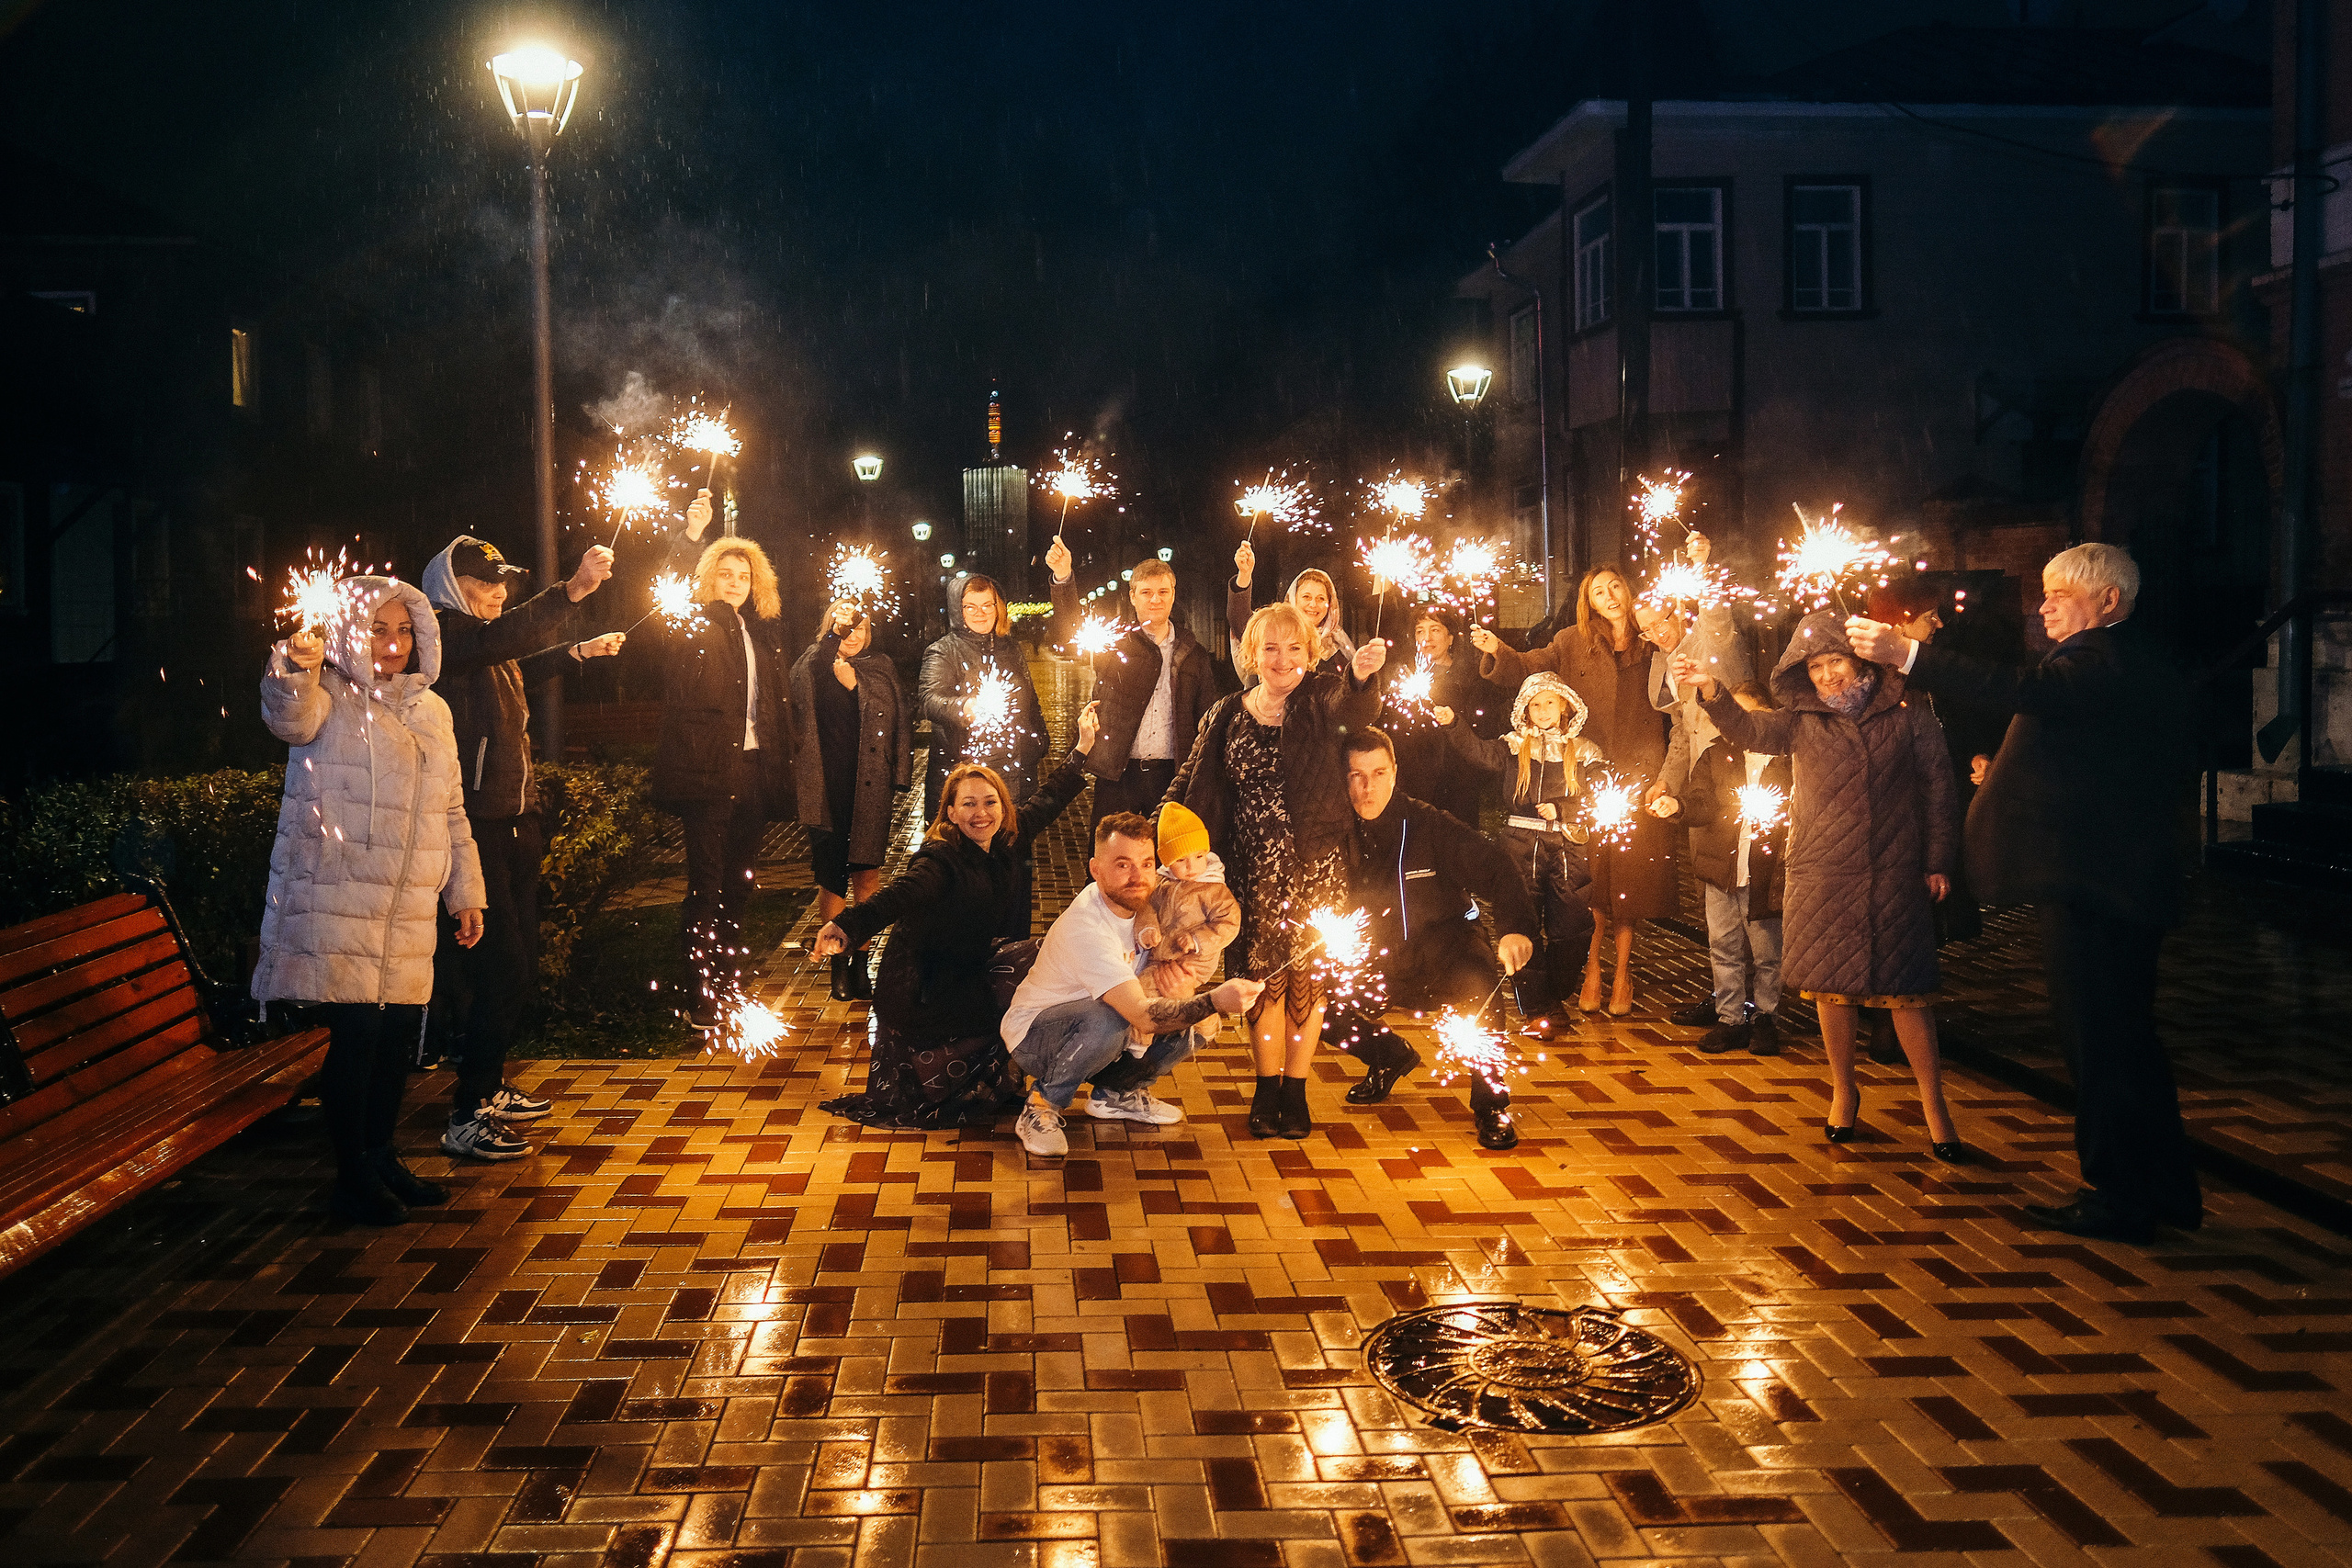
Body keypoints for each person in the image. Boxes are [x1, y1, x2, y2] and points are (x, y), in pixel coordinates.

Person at [1848, 542, 2197, 1244]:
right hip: (2120, 880)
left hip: (2098, 887)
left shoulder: (2101, 658)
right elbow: (2096, 758)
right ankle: (2166, 1189)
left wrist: (1908, 655)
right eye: (2043, 592)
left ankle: (2117, 1194)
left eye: (2060, 592)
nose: (2043, 605)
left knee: (2097, 1040)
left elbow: (2024, 689)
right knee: (2130, 1039)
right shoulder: (2135, 662)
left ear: (2108, 601)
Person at [1677, 610, 1967, 1162]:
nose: (1827, 675)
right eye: (1815, 666)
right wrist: (1713, 692)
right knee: (1831, 988)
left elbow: (1938, 785)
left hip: (1893, 868)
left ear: (1859, 658)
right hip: (1822, 870)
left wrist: (1937, 858)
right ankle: (1843, 1091)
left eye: (1835, 660)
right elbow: (1748, 729)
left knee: (1908, 992)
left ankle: (1935, 1107)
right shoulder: (1802, 719)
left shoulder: (1909, 709)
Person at [254, 577, 486, 1226]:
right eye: (378, 629)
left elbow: (452, 809)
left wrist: (465, 891)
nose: (392, 644)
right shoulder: (326, 695)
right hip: (340, 901)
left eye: (404, 630)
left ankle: (380, 1156)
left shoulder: (431, 710)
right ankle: (351, 1174)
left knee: (393, 1040)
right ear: (352, 632)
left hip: (406, 908)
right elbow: (285, 713)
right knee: (356, 1035)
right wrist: (289, 664)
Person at [420, 535, 622, 1161]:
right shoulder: (443, 636)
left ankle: (489, 1084)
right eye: (488, 584)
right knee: (502, 965)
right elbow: (503, 641)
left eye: (505, 581)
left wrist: (577, 651)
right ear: (454, 588)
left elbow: (519, 662)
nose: (500, 593)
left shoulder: (484, 642)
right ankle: (467, 1111)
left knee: (517, 962)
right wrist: (573, 592)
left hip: (515, 821)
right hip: (476, 827)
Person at [812, 711, 1099, 1130]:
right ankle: (1010, 1085)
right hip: (924, 985)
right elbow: (896, 896)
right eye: (968, 804)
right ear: (949, 811)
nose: (981, 814)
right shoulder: (939, 860)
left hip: (964, 965)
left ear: (1003, 806)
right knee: (1025, 981)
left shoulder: (1004, 842)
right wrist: (846, 926)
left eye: (989, 802)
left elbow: (1047, 800)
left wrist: (1082, 750)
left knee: (1042, 959)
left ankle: (1032, 1075)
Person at [1168, 602, 1387, 1139]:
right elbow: (1191, 781)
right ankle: (1267, 1090)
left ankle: (1296, 1088)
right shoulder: (1224, 712)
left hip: (1317, 871)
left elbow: (1352, 709)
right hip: (1251, 872)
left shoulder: (1319, 704)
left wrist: (1360, 676)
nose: (1282, 659)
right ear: (1252, 653)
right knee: (1261, 984)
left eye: (1294, 648)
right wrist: (1157, 833)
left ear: (1311, 655)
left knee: (1306, 985)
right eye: (1270, 647)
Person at [1001, 813, 1266, 1156]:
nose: (1138, 877)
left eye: (1145, 863)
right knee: (1111, 1018)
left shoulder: (1152, 904)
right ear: (1096, 869)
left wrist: (1184, 988)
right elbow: (1142, 1015)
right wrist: (1215, 999)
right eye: (1122, 865)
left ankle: (1117, 1095)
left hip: (1110, 1024)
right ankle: (1041, 1106)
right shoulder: (1087, 927)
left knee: (1199, 1023)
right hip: (1037, 1036)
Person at [1327, 728, 1541, 1150]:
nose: (1367, 788)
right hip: (1373, 962)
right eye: (1356, 776)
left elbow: (1497, 866)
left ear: (1395, 772)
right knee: (1311, 997)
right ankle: (1388, 1056)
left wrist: (1516, 928)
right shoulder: (1332, 830)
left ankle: (1491, 1104)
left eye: (1378, 772)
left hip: (1443, 950)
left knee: (1480, 985)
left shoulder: (1428, 824)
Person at [1473, 563, 1671, 1015]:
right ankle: (1592, 971)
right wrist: (1497, 649)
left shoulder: (1652, 641)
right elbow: (1527, 667)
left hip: (1636, 773)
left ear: (1627, 589)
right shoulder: (1571, 641)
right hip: (1581, 774)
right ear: (1589, 602)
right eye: (1598, 591)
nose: (1609, 595)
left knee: (1630, 880)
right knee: (1589, 880)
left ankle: (1622, 970)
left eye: (1615, 585)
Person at [656, 493, 791, 1028]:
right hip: (708, 773)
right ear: (707, 577)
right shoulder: (693, 624)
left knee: (741, 881)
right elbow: (664, 596)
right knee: (706, 883)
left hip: (752, 772)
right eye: (725, 572)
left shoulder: (760, 632)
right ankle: (699, 991)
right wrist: (689, 537)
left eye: (744, 574)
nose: (735, 581)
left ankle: (730, 980)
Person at [1432, 672, 1601, 1042]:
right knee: (1520, 925)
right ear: (1525, 710)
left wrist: (1564, 807)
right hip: (1518, 846)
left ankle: (1554, 993)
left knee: (1572, 926)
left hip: (1568, 847)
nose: (1542, 711)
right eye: (1535, 705)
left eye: (1550, 703)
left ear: (1565, 707)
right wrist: (1454, 724)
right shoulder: (1513, 747)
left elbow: (1602, 792)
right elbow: (1476, 752)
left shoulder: (1584, 750)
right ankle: (1540, 1009)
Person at [1046, 540, 1216, 834]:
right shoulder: (1114, 646)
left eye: (1163, 592)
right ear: (1133, 596)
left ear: (1173, 595)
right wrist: (1063, 578)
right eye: (1146, 592)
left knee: (1165, 863)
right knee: (1109, 857)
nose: (1155, 599)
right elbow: (1071, 633)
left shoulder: (1193, 654)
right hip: (1118, 773)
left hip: (1171, 777)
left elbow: (1207, 718)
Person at [788, 599, 911, 1001]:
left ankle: (862, 966)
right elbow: (798, 685)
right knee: (831, 877)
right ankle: (838, 968)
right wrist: (833, 648)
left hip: (868, 785)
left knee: (867, 876)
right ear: (830, 628)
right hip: (827, 786)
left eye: (860, 628)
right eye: (845, 628)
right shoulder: (814, 662)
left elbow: (895, 716)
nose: (853, 635)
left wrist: (855, 687)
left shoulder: (880, 666)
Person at [1665, 680, 1790, 1056]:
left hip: (1765, 872)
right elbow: (1702, 800)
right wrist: (1680, 808)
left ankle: (1765, 1017)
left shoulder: (1788, 761)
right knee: (1723, 945)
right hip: (1722, 868)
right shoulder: (1717, 755)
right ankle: (1730, 1018)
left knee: (1768, 950)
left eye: (1749, 714)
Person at [920, 571, 1048, 935]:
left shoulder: (1010, 648)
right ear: (957, 610)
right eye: (970, 606)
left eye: (987, 605)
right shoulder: (943, 650)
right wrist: (966, 707)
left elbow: (1028, 701)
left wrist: (1039, 740)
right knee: (966, 873)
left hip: (1014, 780)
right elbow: (929, 700)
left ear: (998, 607)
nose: (979, 613)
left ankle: (1012, 954)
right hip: (966, 778)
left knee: (1013, 867)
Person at [1128, 801, 1241, 1050]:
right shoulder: (1160, 883)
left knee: (1146, 992)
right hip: (1159, 956)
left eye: (1199, 856)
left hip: (1193, 961)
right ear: (1167, 860)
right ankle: (1143, 1043)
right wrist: (1147, 927)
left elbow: (1229, 922)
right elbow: (1144, 907)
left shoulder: (1214, 890)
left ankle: (1140, 1045)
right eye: (1181, 859)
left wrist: (1197, 939)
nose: (1192, 866)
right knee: (1147, 995)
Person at [1385, 605, 1502, 827]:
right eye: (1420, 631)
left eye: (1435, 630)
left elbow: (1484, 731)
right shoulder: (1402, 677)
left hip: (1458, 786)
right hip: (1414, 782)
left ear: (1450, 638)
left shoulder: (1469, 678)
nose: (1427, 638)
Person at [1228, 539, 1352, 682]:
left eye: (1321, 599)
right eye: (1306, 597)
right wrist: (1244, 574)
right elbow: (1240, 619)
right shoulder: (1274, 629)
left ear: (1330, 604)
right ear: (1293, 599)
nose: (1313, 604)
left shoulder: (1339, 646)